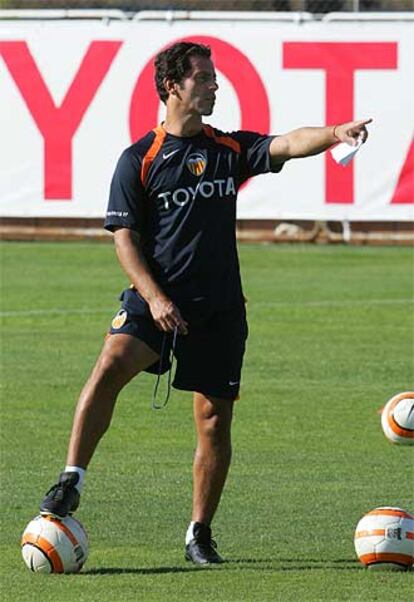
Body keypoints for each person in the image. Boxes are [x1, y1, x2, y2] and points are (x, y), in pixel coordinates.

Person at [40, 41, 371, 565]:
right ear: (174, 86)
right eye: (204, 78)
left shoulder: (227, 150)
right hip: (155, 300)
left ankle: (199, 533)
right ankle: (69, 481)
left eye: (214, 77)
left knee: (214, 421)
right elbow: (124, 239)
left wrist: (335, 135)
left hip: (218, 309)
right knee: (107, 366)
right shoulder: (139, 160)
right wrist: (154, 298)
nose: (215, 85)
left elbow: (286, 144)